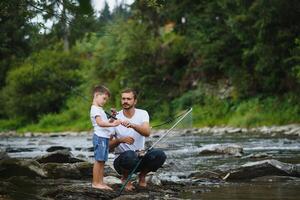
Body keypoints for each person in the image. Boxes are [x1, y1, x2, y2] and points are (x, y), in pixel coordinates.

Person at [109, 88, 167, 191]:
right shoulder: (114, 118)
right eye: (123, 99)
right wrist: (119, 140)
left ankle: (142, 176)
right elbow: (108, 147)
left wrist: (132, 125)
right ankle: (126, 178)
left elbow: (147, 132)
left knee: (160, 154)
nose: (125, 101)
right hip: (122, 161)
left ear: (135, 101)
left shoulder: (143, 113)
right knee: (130, 155)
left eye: (128, 99)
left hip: (140, 157)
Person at [90, 85, 121, 190]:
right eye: (104, 98)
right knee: (98, 160)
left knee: (102, 160)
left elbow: (106, 122)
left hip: (104, 137)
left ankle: (101, 182)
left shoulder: (100, 109)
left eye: (106, 100)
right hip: (99, 137)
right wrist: (114, 124)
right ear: (96, 95)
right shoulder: (94, 109)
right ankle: (95, 183)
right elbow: (100, 123)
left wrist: (112, 118)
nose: (104, 101)